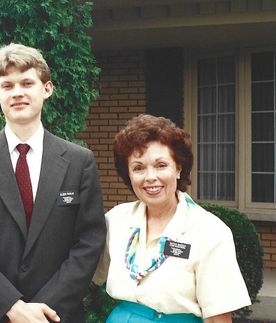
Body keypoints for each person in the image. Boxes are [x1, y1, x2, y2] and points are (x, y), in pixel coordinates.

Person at [0, 43, 106, 323]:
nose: (17, 92)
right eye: (7, 85)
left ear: (47, 88)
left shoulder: (79, 161)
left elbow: (89, 241)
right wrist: (12, 306)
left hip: (56, 316)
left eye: (27, 83)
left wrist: (43, 309)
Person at [93, 114, 251, 323]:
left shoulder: (210, 231)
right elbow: (84, 273)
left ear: (178, 168)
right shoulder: (115, 220)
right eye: (138, 168)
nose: (150, 177)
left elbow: (218, 318)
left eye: (160, 165)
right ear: (128, 174)